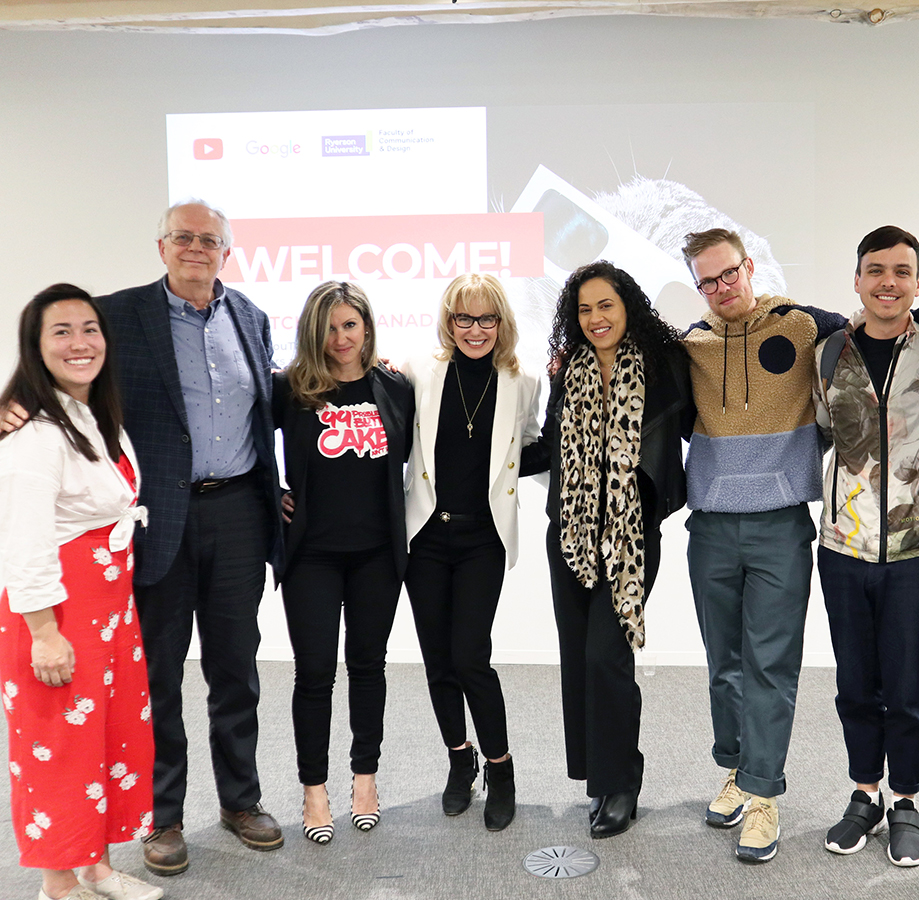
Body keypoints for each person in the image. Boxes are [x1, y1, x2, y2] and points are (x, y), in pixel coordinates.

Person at [3, 201, 287, 874]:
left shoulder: (251, 316)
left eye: (209, 240)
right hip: (157, 519)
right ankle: (163, 817)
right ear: (161, 247)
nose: (196, 248)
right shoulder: (117, 315)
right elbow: (63, 365)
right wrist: (13, 401)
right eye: (183, 238)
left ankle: (240, 801)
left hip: (240, 512)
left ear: (228, 252)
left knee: (235, 668)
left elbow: (265, 398)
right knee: (154, 674)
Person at [679, 227, 919, 863]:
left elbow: (903, 330)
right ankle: (796, 780)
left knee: (851, 678)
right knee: (772, 672)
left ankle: (852, 799)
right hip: (794, 539)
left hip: (869, 538)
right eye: (707, 280)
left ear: (749, 266)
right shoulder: (708, 344)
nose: (721, 287)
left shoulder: (824, 331)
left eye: (730, 273)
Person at [815, 226, 919, 869]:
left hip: (917, 551)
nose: (889, 281)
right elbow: (825, 430)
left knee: (908, 689)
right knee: (856, 684)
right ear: (856, 280)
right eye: (875, 270)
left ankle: (905, 801)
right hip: (843, 549)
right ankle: (864, 794)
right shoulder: (829, 354)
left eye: (902, 271)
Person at [0, 285, 161, 900]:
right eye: (60, 331)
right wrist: (44, 633)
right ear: (35, 347)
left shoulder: (96, 416)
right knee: (58, 750)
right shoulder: (33, 434)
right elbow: (25, 543)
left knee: (107, 737)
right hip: (56, 615)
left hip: (108, 611)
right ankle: (57, 884)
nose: (79, 342)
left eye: (89, 328)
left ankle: (94, 865)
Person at [522, 260, 693, 839]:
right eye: (585, 309)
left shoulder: (665, 363)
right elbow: (549, 446)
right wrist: (485, 463)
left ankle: (623, 782)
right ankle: (601, 779)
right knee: (578, 655)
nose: (596, 318)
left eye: (606, 306)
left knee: (606, 656)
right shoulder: (567, 370)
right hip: (569, 532)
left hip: (629, 537)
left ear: (629, 308)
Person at [272, 282, 414, 844]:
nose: (340, 338)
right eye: (329, 327)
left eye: (349, 325)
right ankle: (313, 792)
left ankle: (365, 781)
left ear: (366, 327)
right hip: (312, 555)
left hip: (378, 554)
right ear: (313, 331)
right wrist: (271, 495)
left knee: (368, 667)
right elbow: (246, 444)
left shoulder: (394, 387)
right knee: (313, 675)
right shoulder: (291, 389)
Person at [403, 273, 541, 832]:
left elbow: (528, 448)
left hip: (484, 537)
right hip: (427, 538)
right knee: (438, 662)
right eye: (465, 318)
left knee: (470, 658)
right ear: (449, 321)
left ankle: (501, 768)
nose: (476, 330)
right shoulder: (419, 374)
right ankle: (461, 762)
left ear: (502, 323)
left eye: (487, 319)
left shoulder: (523, 381)